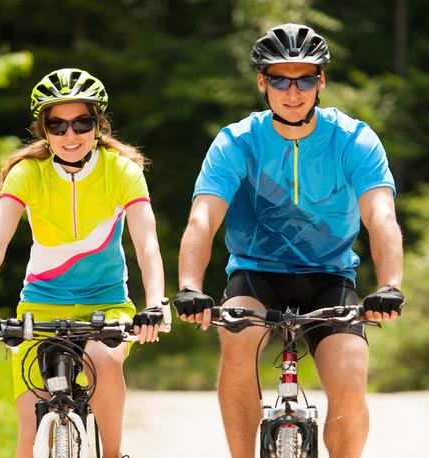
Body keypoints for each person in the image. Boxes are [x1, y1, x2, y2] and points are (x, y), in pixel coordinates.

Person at [173, 23, 405, 458]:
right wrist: (189, 286)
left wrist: (389, 284)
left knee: (351, 382)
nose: (292, 91)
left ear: (322, 81)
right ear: (262, 82)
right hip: (255, 274)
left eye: (305, 78)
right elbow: (202, 219)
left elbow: (381, 216)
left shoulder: (353, 139)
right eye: (280, 78)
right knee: (237, 341)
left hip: (329, 277)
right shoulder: (237, 141)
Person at [0, 68, 167, 458]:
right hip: (40, 305)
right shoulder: (27, 173)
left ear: (98, 124)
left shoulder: (122, 171)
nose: (70, 135)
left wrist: (155, 303)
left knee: (103, 359)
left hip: (106, 305)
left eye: (81, 123)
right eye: (58, 125)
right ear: (44, 130)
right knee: (27, 442)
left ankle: (113, 453)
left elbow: (147, 243)